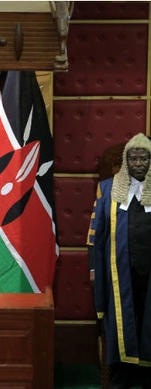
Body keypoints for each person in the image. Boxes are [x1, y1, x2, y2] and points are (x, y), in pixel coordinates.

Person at [87, 132, 151, 389]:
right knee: (121, 323)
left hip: (149, 272)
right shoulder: (107, 189)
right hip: (119, 271)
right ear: (126, 161)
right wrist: (93, 267)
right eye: (133, 159)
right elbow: (95, 234)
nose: (138, 164)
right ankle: (120, 376)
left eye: (144, 159)